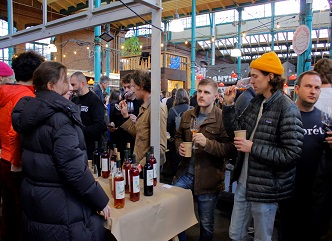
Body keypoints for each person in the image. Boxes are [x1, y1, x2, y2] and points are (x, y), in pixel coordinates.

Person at [12, 61, 111, 241]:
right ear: (51, 86)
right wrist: (101, 201)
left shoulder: (30, 113)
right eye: (64, 80)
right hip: (61, 208)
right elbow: (74, 170)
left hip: (37, 203)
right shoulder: (60, 119)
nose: (68, 86)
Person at [222, 51, 304, 241]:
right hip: (244, 183)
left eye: (255, 76)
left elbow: (292, 154)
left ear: (271, 77)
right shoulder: (256, 102)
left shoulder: (287, 108)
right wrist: (228, 106)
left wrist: (253, 147)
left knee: (262, 237)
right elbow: (236, 131)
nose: (251, 81)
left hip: (266, 190)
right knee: (235, 234)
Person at [174, 78, 236, 241]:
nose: (201, 95)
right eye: (200, 91)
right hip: (186, 174)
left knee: (206, 224)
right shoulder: (188, 115)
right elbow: (178, 136)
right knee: (174, 213)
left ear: (215, 96)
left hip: (209, 176)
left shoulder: (223, 118)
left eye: (206, 92)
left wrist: (207, 143)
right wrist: (179, 146)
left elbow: (229, 149)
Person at [278, 70, 332, 241]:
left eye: (317, 88)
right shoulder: (284, 115)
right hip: (289, 192)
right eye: (308, 86)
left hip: (316, 195)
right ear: (297, 88)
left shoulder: (325, 119)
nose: (313, 91)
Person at [0, 50, 45, 241]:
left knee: (8, 209)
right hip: (14, 162)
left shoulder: (5, 93)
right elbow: (14, 132)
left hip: (3, 158)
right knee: (22, 211)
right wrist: (16, 163)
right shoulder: (27, 98)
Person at [118, 70, 167, 166]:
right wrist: (125, 116)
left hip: (148, 168)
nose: (133, 90)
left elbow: (160, 147)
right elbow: (139, 134)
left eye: (133, 86)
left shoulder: (156, 109)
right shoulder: (144, 107)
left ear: (141, 86)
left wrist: (140, 166)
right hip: (139, 163)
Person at [70, 72, 107, 159]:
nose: (71, 88)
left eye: (73, 85)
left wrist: (81, 131)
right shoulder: (74, 100)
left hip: (91, 149)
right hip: (77, 147)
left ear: (82, 84)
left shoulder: (95, 101)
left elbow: (100, 125)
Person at [108, 73, 143, 155]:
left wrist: (136, 120)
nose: (126, 90)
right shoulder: (120, 102)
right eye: (124, 87)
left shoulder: (142, 103)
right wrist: (114, 126)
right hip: (120, 144)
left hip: (135, 145)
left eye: (129, 87)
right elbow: (115, 121)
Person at [167, 88, 191, 175]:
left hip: (175, 143)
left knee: (175, 165)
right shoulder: (191, 109)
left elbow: (168, 127)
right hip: (189, 142)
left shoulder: (172, 110)